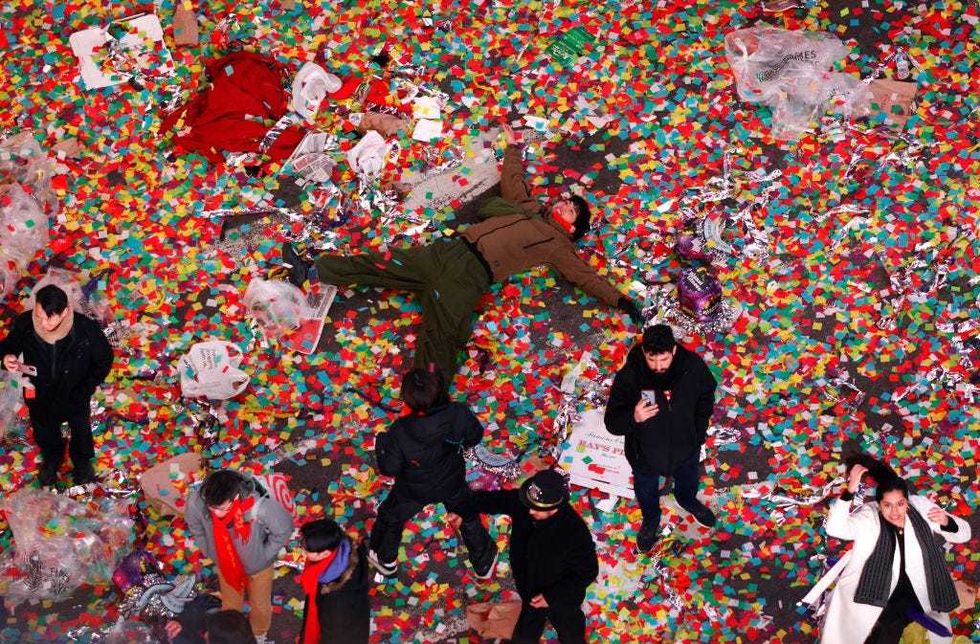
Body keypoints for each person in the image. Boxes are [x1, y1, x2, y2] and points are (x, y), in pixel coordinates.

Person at [282, 125, 642, 377]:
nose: (564, 205)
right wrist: (514, 146)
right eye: (566, 202)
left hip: (471, 276)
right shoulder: (528, 207)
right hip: (449, 252)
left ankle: (428, 401)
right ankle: (314, 270)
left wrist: (621, 301)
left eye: (571, 210)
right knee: (383, 264)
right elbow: (512, 181)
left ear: (573, 227)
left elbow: (584, 276)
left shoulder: (558, 245)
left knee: (442, 338)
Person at [820, 455, 971, 644]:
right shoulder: (869, 516)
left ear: (908, 501)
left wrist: (946, 521)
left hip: (917, 588)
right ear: (878, 504)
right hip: (873, 586)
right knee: (886, 626)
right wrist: (849, 491)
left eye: (900, 504)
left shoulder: (921, 507)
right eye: (887, 505)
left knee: (896, 625)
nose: (895, 512)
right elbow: (835, 528)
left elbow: (964, 534)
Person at [367, 366, 497, 579]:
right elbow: (474, 436)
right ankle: (484, 561)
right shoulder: (457, 412)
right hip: (451, 479)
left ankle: (385, 558)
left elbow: (389, 468)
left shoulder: (400, 430)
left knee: (391, 516)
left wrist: (381, 443)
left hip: (413, 488)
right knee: (466, 513)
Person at [603, 324, 717, 553]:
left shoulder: (692, 367)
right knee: (646, 489)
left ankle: (687, 500)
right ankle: (651, 520)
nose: (658, 367)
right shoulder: (630, 377)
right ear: (644, 352)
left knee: (688, 480)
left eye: (663, 359)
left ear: (673, 350)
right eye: (651, 359)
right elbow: (612, 422)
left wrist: (698, 430)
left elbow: (707, 393)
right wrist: (633, 417)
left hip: (686, 446)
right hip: (644, 453)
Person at [455, 469, 599, 643]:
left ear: (554, 508)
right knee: (524, 637)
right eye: (530, 505)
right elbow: (496, 501)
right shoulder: (525, 503)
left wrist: (552, 597)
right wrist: (461, 509)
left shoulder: (574, 532)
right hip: (529, 589)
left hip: (561, 596)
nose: (530, 511)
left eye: (536, 509)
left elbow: (587, 571)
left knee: (571, 633)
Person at [0, 283, 113, 486]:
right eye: (39, 315)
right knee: (44, 429)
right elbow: (9, 346)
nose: (42, 323)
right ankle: (52, 459)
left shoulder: (85, 329)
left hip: (74, 392)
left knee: (80, 429)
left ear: (64, 312)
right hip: (39, 390)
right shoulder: (26, 323)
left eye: (49, 318)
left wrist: (86, 387)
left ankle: (82, 463)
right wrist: (6, 357)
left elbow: (104, 360)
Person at [185, 470, 294, 644]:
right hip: (225, 564)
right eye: (212, 508)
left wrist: (264, 555)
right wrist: (208, 550)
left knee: (259, 603)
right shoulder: (197, 502)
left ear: (236, 496)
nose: (217, 514)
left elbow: (284, 529)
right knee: (230, 601)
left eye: (223, 508)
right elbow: (195, 526)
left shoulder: (259, 507)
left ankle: (258, 633)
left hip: (258, 567)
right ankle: (229, 632)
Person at [298, 518, 370, 644]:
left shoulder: (335, 598)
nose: (302, 552)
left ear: (325, 554)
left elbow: (335, 634)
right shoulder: (347, 549)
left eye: (307, 550)